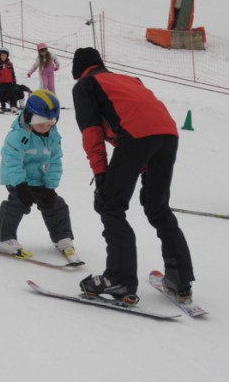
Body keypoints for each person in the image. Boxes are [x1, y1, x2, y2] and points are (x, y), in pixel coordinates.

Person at [71, 47, 195, 304]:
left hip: (138, 137)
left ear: (78, 69)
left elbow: (92, 132)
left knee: (111, 206)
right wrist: (147, 167)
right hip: (168, 135)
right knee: (157, 207)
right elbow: (143, 115)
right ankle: (179, 279)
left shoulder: (85, 85)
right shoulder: (128, 79)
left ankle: (119, 278)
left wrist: (101, 176)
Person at [0, 89, 76, 260]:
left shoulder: (53, 136)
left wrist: (50, 187)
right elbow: (11, 161)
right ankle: (0, 237)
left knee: (55, 204)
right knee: (18, 202)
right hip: (17, 178)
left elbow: (55, 162)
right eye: (41, 124)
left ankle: (62, 236)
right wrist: (20, 185)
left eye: (50, 124)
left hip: (38, 178)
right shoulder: (17, 136)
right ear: (29, 118)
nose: (46, 128)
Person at [0, 47, 18, 114]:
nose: (3, 57)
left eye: (5, 56)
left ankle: (13, 106)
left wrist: (14, 81)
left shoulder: (9, 64)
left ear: (7, 56)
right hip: (1, 83)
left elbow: (12, 73)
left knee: (12, 94)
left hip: (9, 82)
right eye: (2, 56)